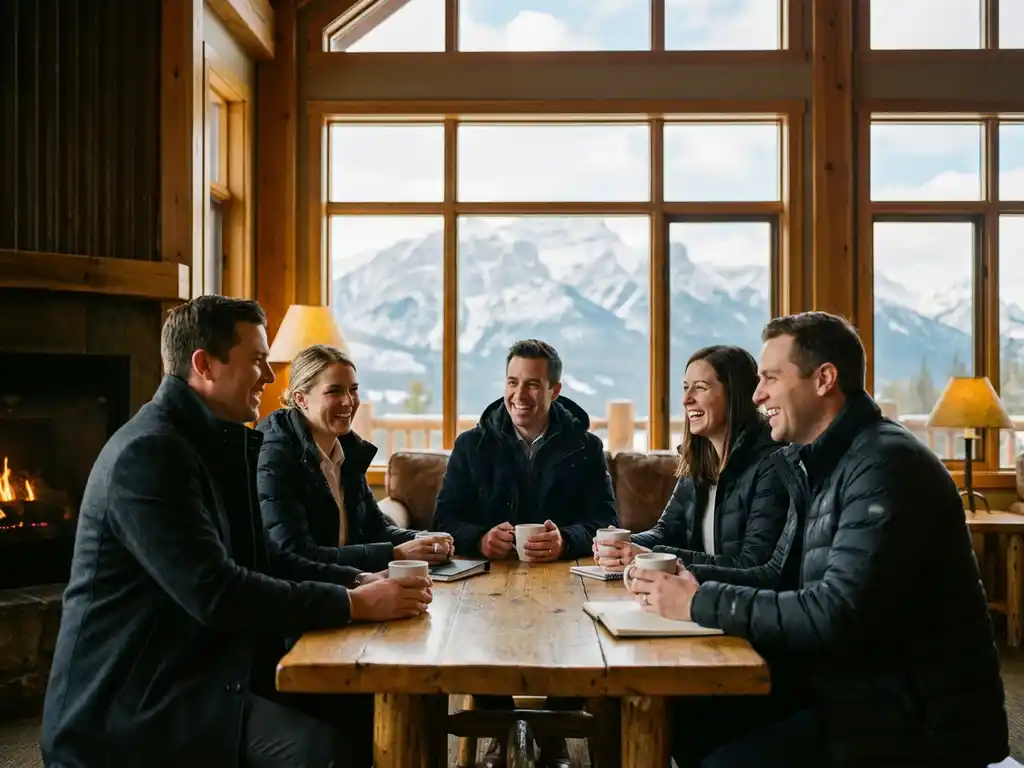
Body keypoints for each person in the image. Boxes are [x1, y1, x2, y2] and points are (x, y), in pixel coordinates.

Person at [40, 296, 433, 768]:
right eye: (258, 362)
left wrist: (357, 582)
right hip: (137, 699)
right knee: (319, 753)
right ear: (204, 365)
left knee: (364, 701)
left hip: (205, 669)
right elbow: (216, 593)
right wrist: (352, 604)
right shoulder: (150, 455)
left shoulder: (221, 443)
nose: (270, 379)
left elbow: (267, 561)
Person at [626, 311, 1009, 767]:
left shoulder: (885, 465)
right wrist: (683, 580)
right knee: (682, 716)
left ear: (824, 378)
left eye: (770, 377)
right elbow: (775, 574)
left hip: (910, 719)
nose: (758, 393)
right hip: (842, 688)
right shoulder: (815, 463)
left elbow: (836, 611)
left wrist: (696, 602)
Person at [432, 339, 618, 768]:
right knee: (479, 636)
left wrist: (566, 539)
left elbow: (605, 519)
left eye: (533, 385)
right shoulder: (470, 445)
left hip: (565, 582)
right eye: (512, 382)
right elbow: (444, 519)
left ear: (555, 389)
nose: (520, 395)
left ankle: (555, 733)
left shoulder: (585, 447)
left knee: (579, 634)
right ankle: (498, 730)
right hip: (486, 582)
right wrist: (479, 538)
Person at [257, 344, 454, 573]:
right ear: (301, 399)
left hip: (348, 584)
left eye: (353, 389)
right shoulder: (275, 456)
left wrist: (426, 540)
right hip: (306, 597)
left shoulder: (348, 451)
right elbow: (295, 554)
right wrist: (395, 554)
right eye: (335, 391)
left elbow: (376, 529)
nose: (349, 401)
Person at [593, 345, 787, 573]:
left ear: (736, 394)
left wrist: (652, 557)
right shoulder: (698, 460)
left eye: (700, 388)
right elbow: (667, 532)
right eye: (686, 388)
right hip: (696, 595)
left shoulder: (772, 462)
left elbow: (752, 564)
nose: (686, 400)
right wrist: (624, 546)